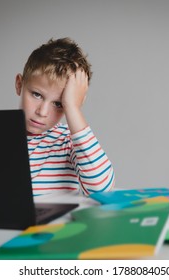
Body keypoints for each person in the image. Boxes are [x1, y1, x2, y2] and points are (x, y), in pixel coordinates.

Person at [15, 37, 115, 196]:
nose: (42, 112)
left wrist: (73, 108)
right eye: (37, 94)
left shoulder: (69, 141)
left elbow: (100, 189)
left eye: (58, 104)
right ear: (19, 84)